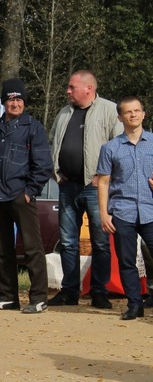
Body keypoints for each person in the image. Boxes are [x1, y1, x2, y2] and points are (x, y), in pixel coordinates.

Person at [0, 78, 53, 314]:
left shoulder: (33, 128)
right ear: (3, 102)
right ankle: (9, 297)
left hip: (20, 197)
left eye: (18, 99)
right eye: (10, 99)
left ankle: (38, 298)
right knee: (2, 249)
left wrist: (28, 192)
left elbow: (43, 165)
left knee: (32, 248)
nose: (15, 103)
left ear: (24, 102)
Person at [49, 70, 123, 309]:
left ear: (88, 88)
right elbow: (53, 141)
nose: (67, 91)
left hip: (95, 187)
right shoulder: (64, 112)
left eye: (72, 87)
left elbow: (120, 148)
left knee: (100, 242)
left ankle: (99, 292)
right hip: (67, 185)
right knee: (68, 241)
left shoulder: (110, 110)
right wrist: (56, 172)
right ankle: (69, 290)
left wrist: (104, 177)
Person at [97, 97, 153, 320]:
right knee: (127, 260)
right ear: (120, 117)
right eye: (128, 112)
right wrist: (103, 213)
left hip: (151, 210)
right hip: (122, 211)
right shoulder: (110, 148)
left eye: (137, 111)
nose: (133, 115)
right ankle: (134, 304)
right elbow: (103, 182)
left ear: (144, 114)